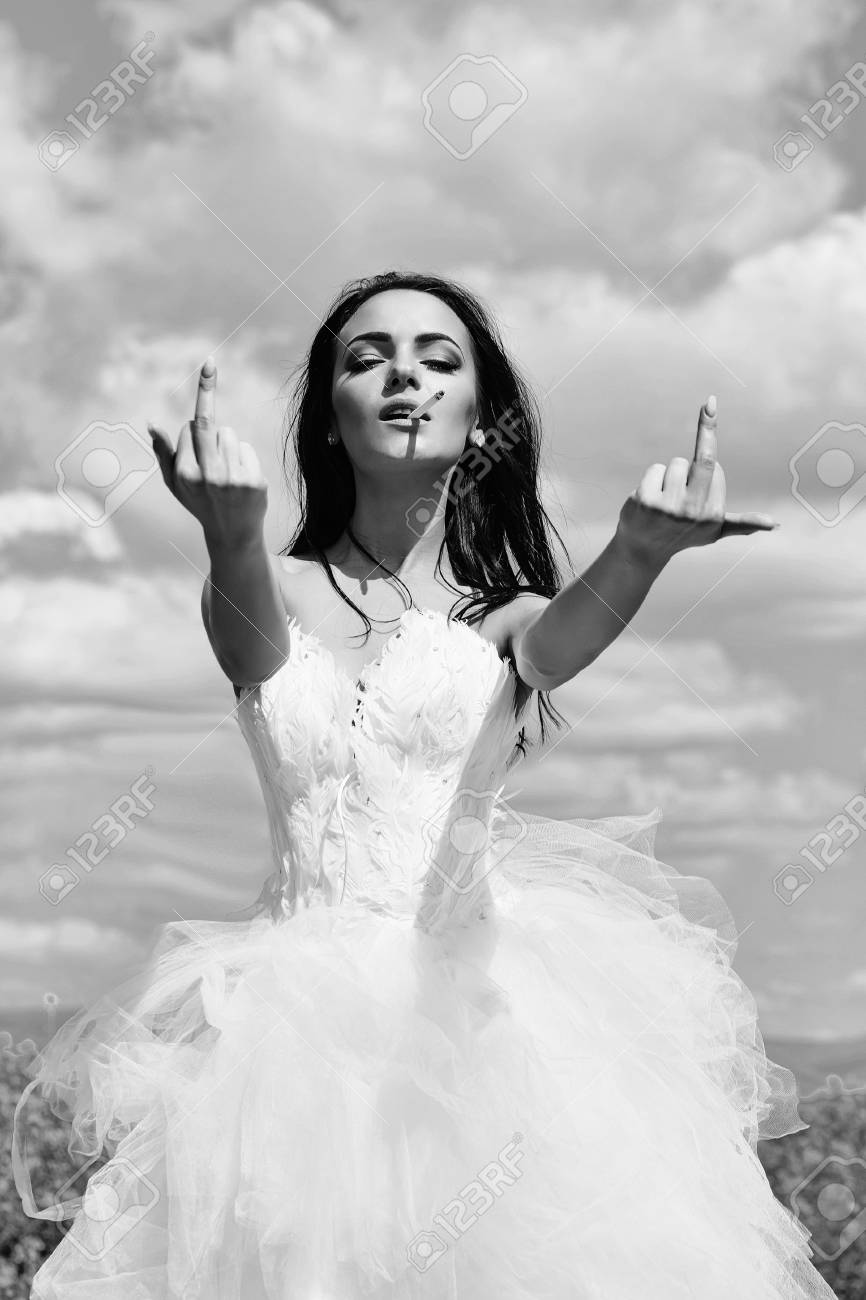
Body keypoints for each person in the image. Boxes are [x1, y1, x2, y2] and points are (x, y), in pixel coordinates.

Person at [13, 270, 836, 1298]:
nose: (404, 376)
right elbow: (247, 648)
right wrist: (227, 530)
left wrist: (640, 550)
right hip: (282, 1039)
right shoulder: (277, 586)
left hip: (475, 1033)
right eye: (368, 359)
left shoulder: (507, 615)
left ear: (481, 417)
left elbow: (559, 646)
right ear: (328, 419)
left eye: (438, 360)